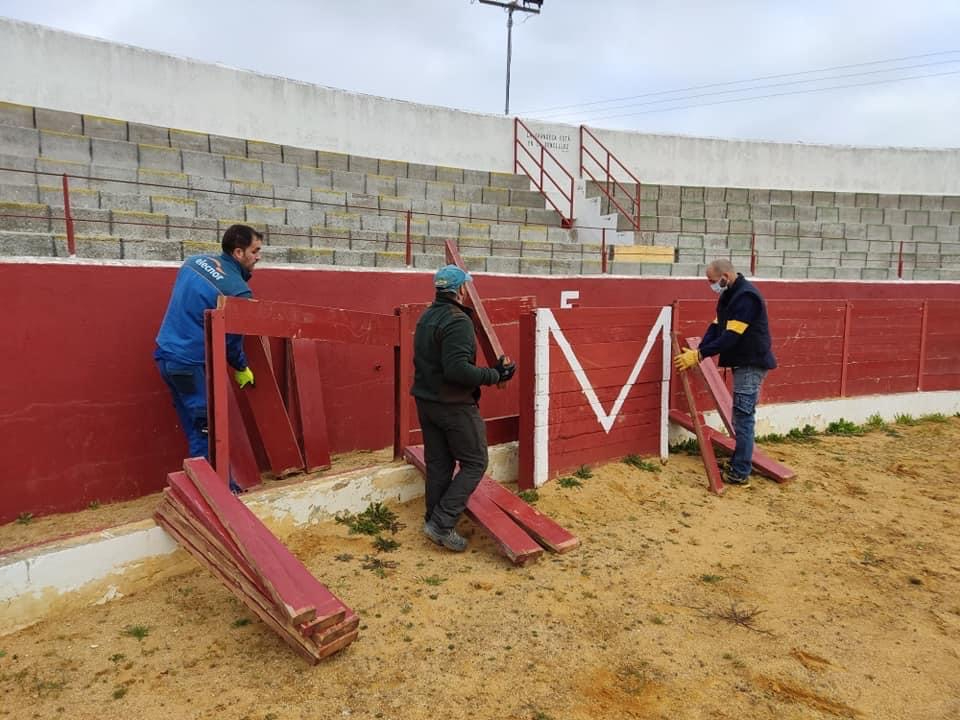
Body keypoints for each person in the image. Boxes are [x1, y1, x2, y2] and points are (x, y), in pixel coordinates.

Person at [411, 265, 516, 551]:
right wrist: (495, 375)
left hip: (427, 401)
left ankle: (433, 518)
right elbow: (457, 370)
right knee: (475, 462)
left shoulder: (426, 316)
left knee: (439, 464)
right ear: (460, 290)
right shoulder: (457, 321)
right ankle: (442, 523)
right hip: (453, 404)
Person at [154, 224, 263, 488]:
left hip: (164, 356)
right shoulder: (238, 292)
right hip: (190, 365)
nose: (258, 257)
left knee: (195, 426)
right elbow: (231, 339)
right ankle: (218, 493)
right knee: (207, 429)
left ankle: (211, 487)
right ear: (238, 252)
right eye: (255, 251)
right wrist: (240, 366)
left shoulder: (194, 262)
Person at [673, 259, 777, 486]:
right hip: (745, 362)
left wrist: (699, 356)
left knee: (743, 418)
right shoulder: (730, 295)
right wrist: (699, 350)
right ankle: (740, 463)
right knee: (740, 417)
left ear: (725, 277)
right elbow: (716, 326)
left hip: (751, 363)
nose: (711, 285)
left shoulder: (746, 297)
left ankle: (740, 472)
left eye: (712, 281)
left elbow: (730, 337)